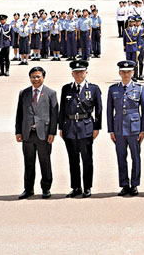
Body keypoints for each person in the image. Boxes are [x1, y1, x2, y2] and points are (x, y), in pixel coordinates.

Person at [59, 60, 102, 197]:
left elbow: (99, 110)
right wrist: (61, 127)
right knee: (73, 159)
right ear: (72, 74)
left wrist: (97, 127)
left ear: (86, 73)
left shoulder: (93, 89)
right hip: (70, 128)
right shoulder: (66, 89)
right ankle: (76, 187)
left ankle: (87, 186)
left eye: (81, 72)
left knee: (87, 159)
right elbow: (62, 110)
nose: (79, 75)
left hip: (86, 126)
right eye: (76, 72)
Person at [107, 60, 144, 196]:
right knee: (121, 157)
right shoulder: (113, 89)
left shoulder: (140, 88)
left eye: (128, 72)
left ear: (133, 73)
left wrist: (143, 130)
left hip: (134, 128)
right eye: (123, 72)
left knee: (135, 157)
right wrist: (111, 130)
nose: (126, 74)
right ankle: (124, 184)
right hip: (119, 128)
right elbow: (109, 111)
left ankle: (135, 184)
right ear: (119, 73)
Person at [15, 66, 58, 199]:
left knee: (45, 162)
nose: (35, 79)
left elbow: (54, 115)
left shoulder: (51, 93)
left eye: (38, 76)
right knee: (28, 162)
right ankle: (28, 189)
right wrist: (18, 131)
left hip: (43, 134)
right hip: (27, 133)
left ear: (43, 77)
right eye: (33, 77)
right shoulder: (24, 93)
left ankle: (46, 188)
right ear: (30, 78)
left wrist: (52, 133)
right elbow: (19, 114)